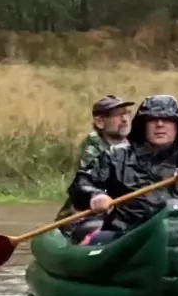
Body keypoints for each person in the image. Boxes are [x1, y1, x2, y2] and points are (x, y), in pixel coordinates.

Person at [65, 94, 178, 245]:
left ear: (177, 127)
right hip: (124, 235)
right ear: (143, 126)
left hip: (177, 235)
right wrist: (95, 195)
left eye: (167, 119)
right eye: (153, 120)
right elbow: (81, 183)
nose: (160, 124)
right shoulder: (116, 156)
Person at [54, 95, 133, 229]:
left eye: (126, 113)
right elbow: (87, 180)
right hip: (84, 212)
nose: (125, 119)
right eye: (117, 115)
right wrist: (97, 195)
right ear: (100, 122)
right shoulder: (93, 146)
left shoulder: (136, 144)